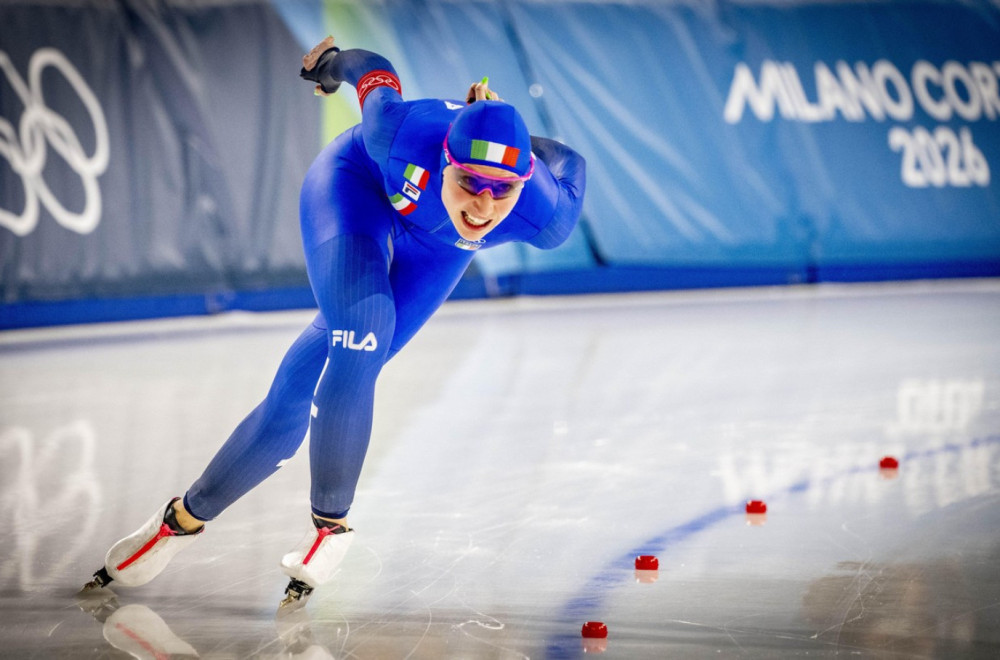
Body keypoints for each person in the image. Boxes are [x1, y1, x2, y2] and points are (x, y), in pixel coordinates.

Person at [81, 36, 586, 608]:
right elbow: (373, 70)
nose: (483, 206)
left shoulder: (544, 215)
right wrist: (329, 65)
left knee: (305, 387)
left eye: (503, 191)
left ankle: (179, 521)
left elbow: (572, 162)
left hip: (437, 247)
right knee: (363, 335)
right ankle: (331, 524)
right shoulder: (397, 132)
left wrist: (508, 133)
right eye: (470, 181)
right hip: (355, 191)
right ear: (446, 159)